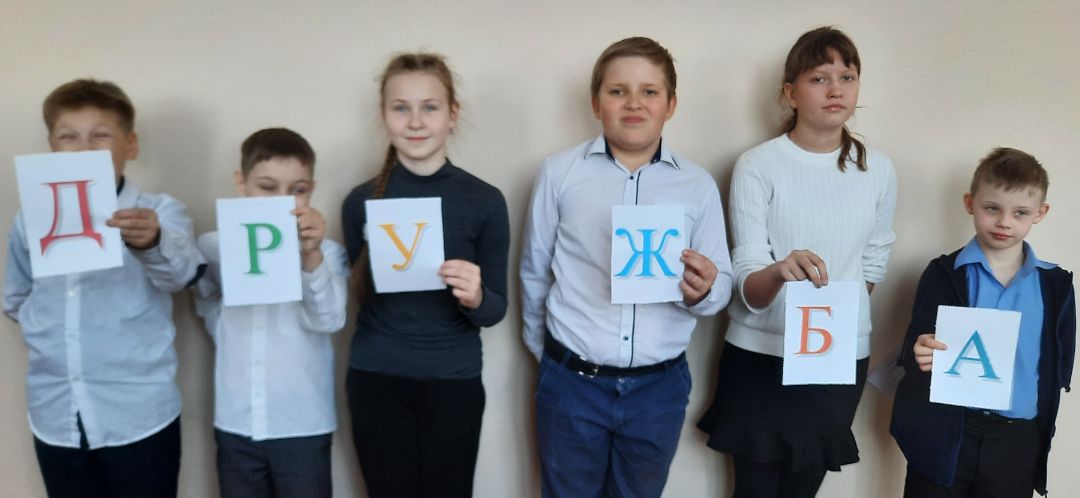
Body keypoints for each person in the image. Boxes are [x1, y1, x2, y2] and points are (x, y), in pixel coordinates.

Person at [520, 36, 732, 498]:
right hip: (572, 382)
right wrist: (550, 359)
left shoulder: (696, 186)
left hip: (658, 389)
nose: (634, 103)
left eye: (649, 91)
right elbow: (535, 271)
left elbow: (721, 283)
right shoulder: (560, 174)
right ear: (596, 103)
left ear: (670, 105)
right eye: (618, 91)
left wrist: (704, 290)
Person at [696, 27, 897, 497]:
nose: (835, 89)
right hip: (759, 358)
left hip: (835, 360)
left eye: (847, 77)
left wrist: (833, 318)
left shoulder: (879, 169)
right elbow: (746, 276)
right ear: (790, 93)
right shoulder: (757, 165)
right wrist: (778, 271)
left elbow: (874, 259)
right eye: (818, 78)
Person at [3, 78, 206, 497]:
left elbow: (184, 274)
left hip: (139, 415)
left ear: (130, 145)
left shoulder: (159, 212)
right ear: (52, 147)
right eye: (68, 137)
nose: (83, 148)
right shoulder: (30, 220)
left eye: (100, 136)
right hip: (55, 411)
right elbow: (16, 296)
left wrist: (152, 242)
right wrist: (47, 333)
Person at [340, 52, 510, 498]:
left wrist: (476, 296)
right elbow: (360, 296)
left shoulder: (485, 201)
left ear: (452, 115)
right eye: (401, 108)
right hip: (376, 378)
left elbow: (496, 310)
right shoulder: (359, 202)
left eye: (429, 107)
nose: (415, 121)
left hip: (454, 382)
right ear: (384, 115)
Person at [890, 147, 1074, 497]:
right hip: (947, 432)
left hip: (1016, 438)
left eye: (1020, 212)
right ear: (970, 203)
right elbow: (914, 350)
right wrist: (921, 351)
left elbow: (1060, 362)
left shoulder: (1056, 285)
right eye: (992, 208)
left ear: (1040, 213)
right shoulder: (943, 273)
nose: (1004, 222)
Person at [194, 127, 347, 497]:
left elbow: (329, 320)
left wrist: (310, 256)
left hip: (302, 422)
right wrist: (223, 326)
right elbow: (205, 297)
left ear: (311, 189)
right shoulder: (213, 247)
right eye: (267, 187)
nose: (283, 201)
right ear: (241, 183)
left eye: (297, 189)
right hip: (236, 420)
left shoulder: (327, 253)